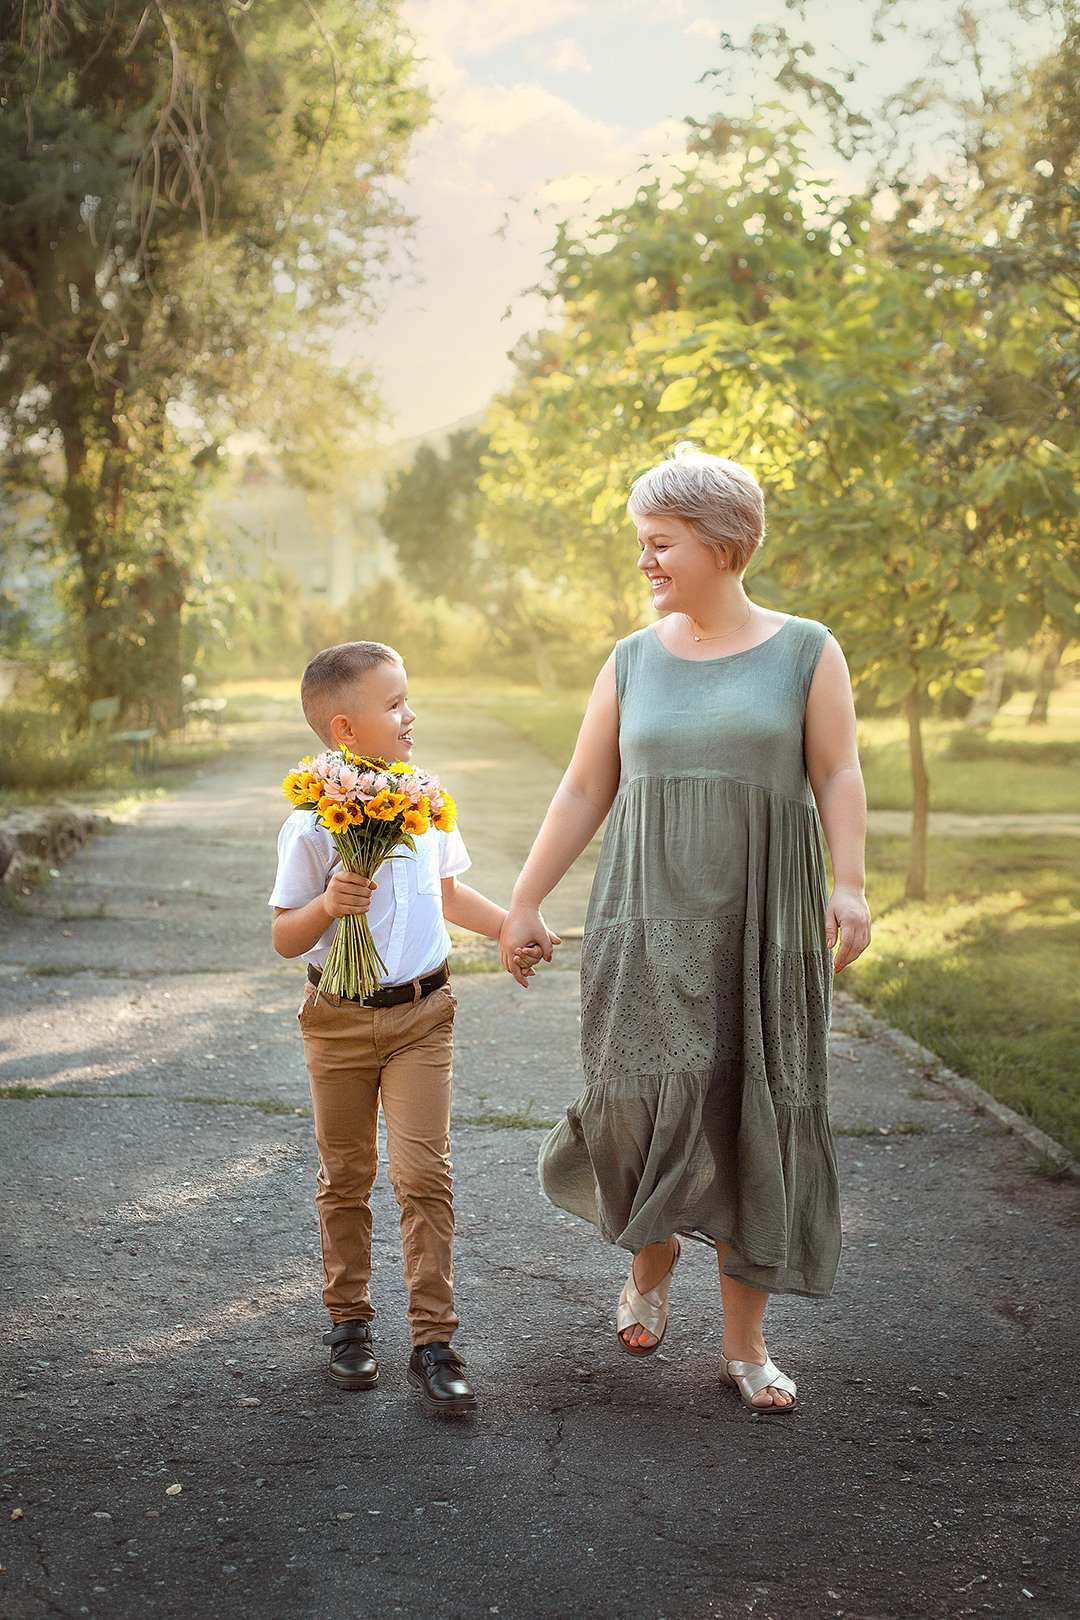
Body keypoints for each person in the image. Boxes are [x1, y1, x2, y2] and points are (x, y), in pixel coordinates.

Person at [500, 445, 871, 1412]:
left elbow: (836, 773)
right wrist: (527, 900)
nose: (646, 562)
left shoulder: (806, 648)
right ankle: (651, 1256)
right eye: (641, 544)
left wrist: (853, 883)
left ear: (720, 542)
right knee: (633, 1107)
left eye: (660, 543)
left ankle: (745, 1349)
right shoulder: (630, 659)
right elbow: (586, 786)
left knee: (756, 1109)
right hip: (645, 915)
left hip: (763, 922)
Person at [270, 641, 542, 1414]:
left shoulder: (426, 802)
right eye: (394, 705)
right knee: (347, 1176)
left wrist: (509, 928)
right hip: (337, 1021)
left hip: (424, 1016)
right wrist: (329, 905)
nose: (410, 714)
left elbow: (450, 894)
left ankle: (434, 1340)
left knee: (424, 1176)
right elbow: (287, 935)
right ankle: (350, 1323)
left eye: (408, 698)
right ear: (346, 731)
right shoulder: (311, 825)